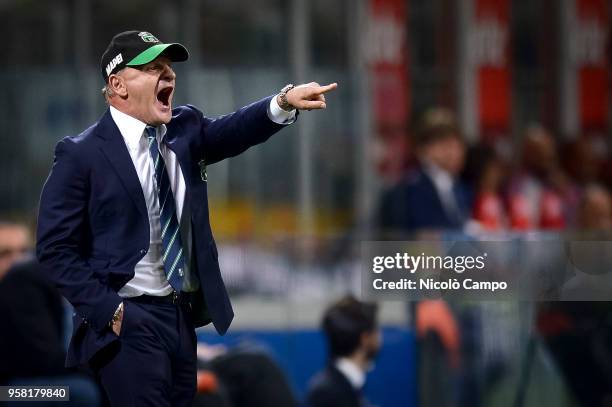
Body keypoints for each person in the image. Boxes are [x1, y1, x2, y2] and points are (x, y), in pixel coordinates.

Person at [36, 30, 337, 406]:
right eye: (153, 68)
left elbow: (234, 130)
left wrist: (282, 101)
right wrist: (110, 311)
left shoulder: (185, 128)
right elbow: (54, 249)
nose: (169, 75)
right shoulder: (81, 155)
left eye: (169, 68)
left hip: (180, 316)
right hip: (128, 318)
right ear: (118, 84)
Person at [377, 107, 470, 235]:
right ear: (423, 148)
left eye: (456, 143)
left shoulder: (458, 187)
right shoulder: (408, 190)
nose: (453, 151)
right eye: (443, 143)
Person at [307, 295, 380, 407]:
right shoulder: (327, 394)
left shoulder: (346, 387)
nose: (379, 337)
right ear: (365, 339)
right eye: (376, 331)